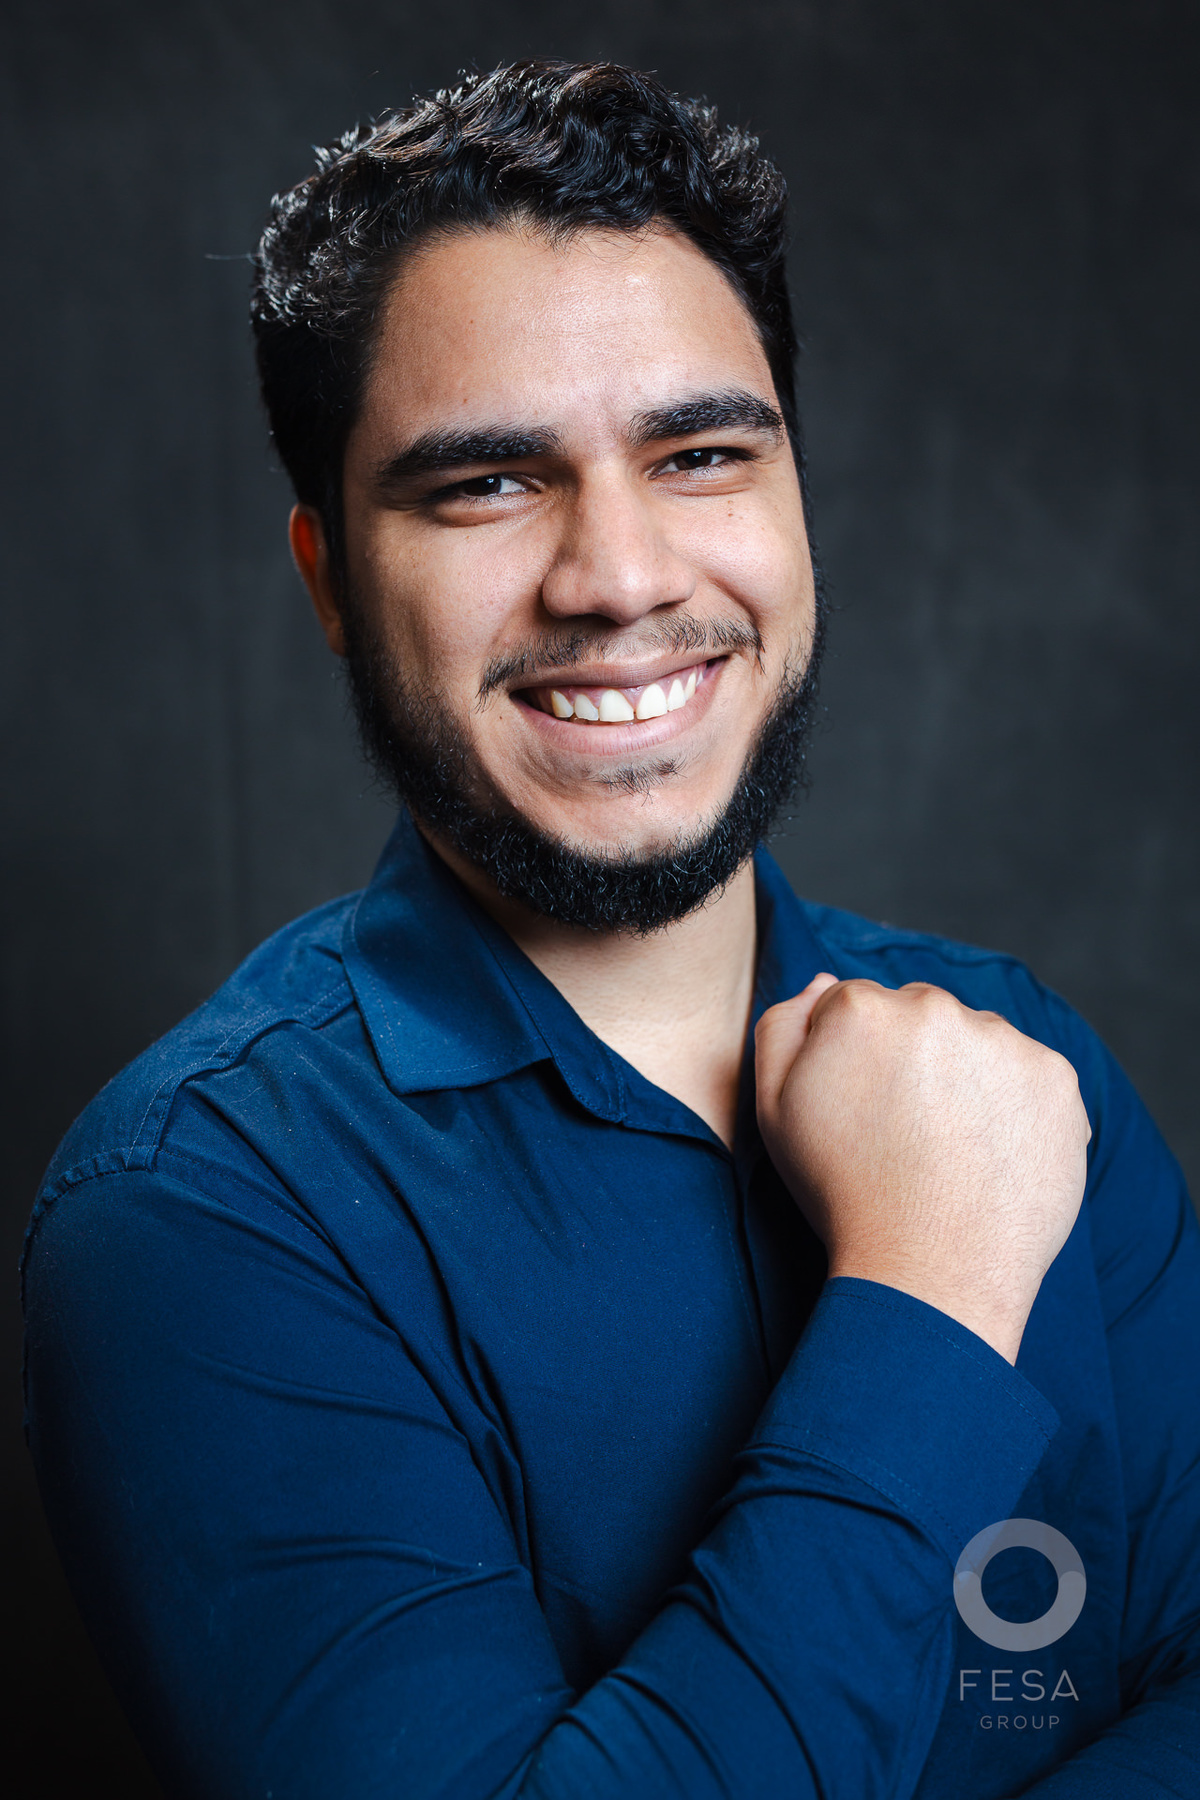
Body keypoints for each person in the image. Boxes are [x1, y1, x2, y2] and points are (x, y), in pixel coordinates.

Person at [22, 59, 1200, 1800]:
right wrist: (931, 1288)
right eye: (487, 485)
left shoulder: (1024, 1062)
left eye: (702, 454)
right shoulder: (199, 1211)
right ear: (329, 578)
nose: (624, 576)